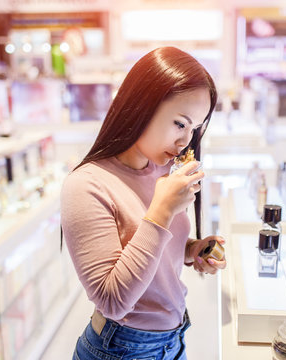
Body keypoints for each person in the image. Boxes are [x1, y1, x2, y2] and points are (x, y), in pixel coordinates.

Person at [60, 47, 226, 360]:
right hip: (120, 349)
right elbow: (113, 301)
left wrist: (192, 249)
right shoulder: (86, 185)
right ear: (140, 106)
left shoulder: (162, 169)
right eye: (179, 123)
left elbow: (147, 244)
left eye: (194, 129)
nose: (185, 142)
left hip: (174, 339)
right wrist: (162, 211)